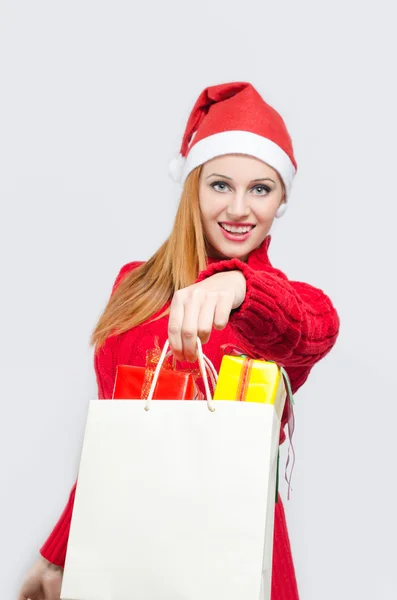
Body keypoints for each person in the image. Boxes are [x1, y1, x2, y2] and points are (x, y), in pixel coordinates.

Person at [18, 81, 340, 600]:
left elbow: (316, 327)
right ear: (192, 185)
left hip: (238, 555)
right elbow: (117, 443)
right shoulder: (134, 287)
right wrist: (56, 555)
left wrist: (239, 286)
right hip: (131, 551)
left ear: (282, 199)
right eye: (220, 185)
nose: (239, 209)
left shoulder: (281, 304)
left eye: (261, 188)